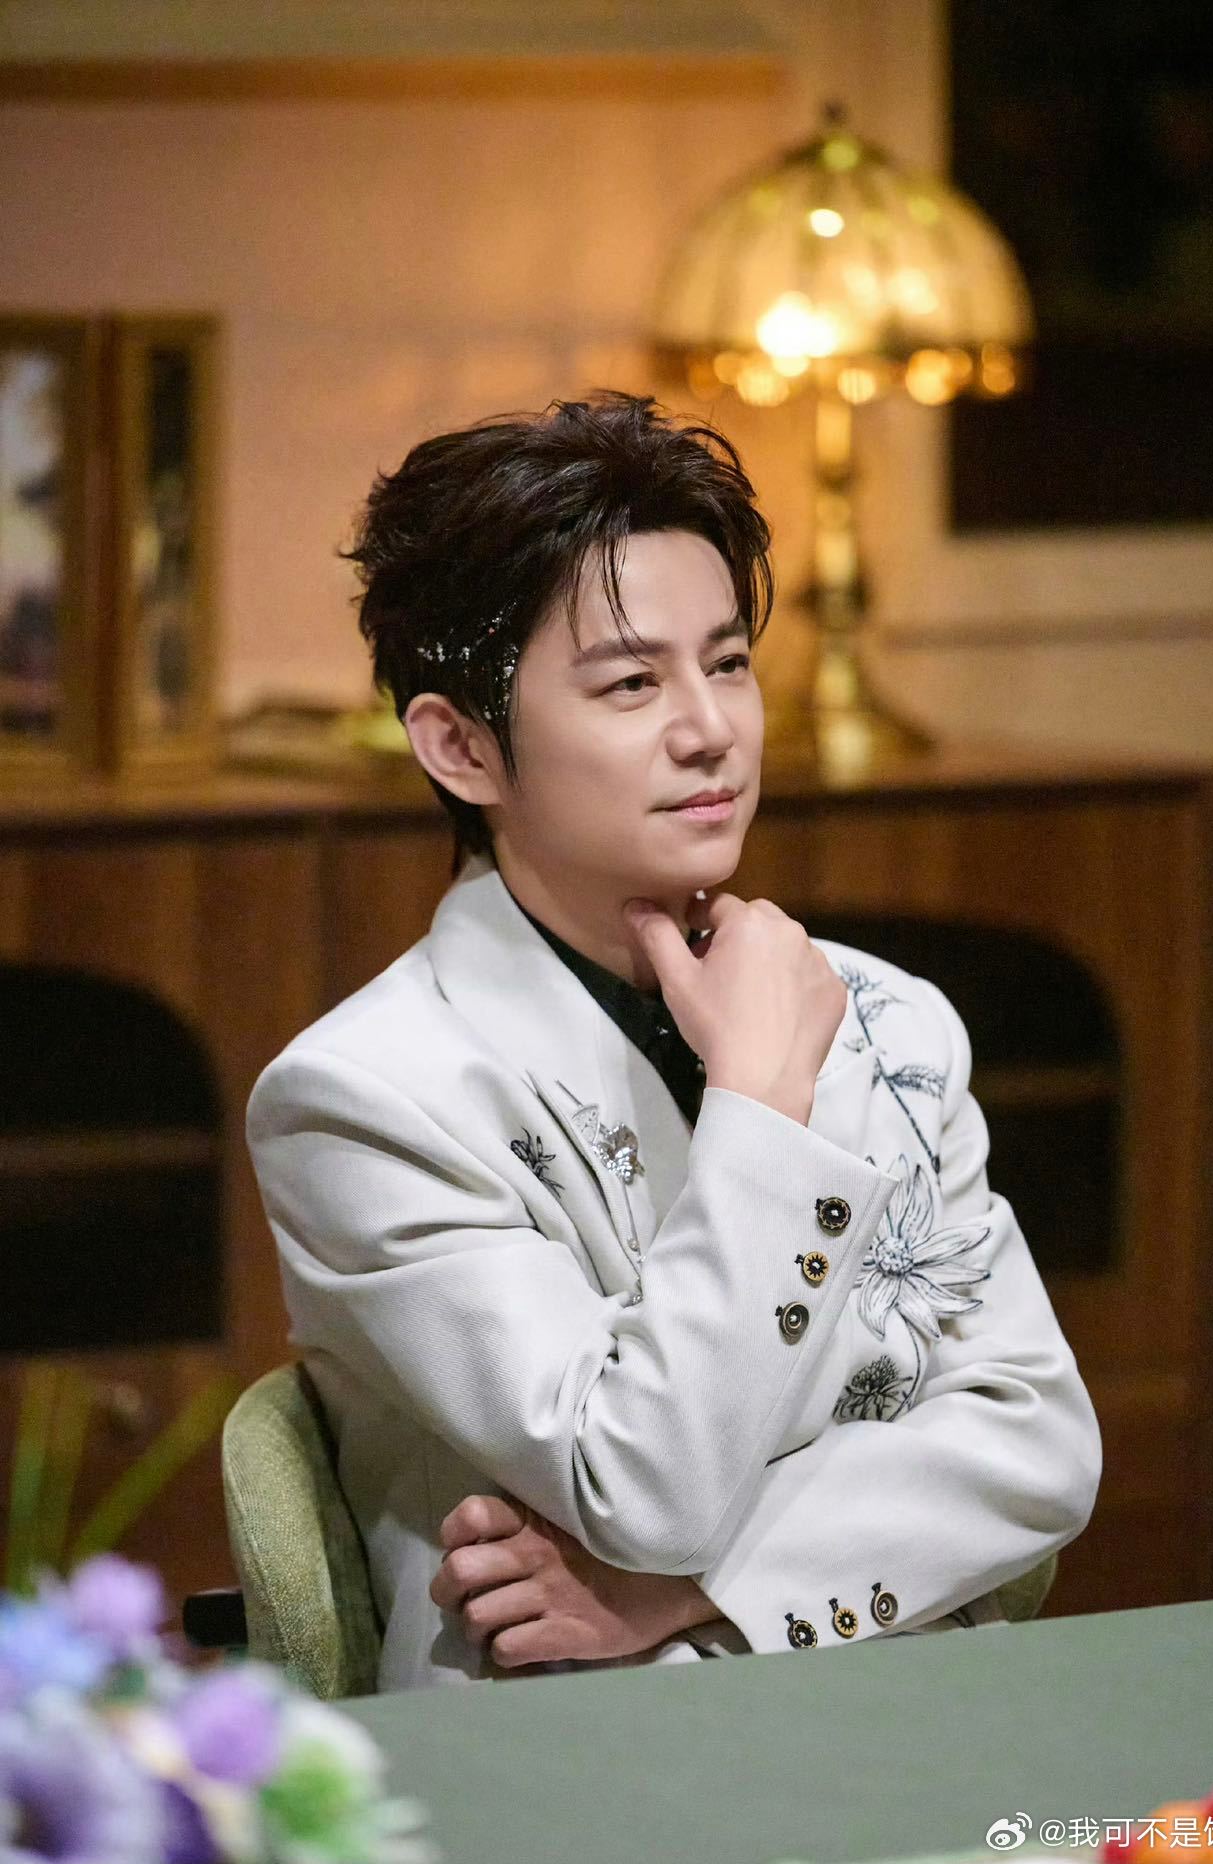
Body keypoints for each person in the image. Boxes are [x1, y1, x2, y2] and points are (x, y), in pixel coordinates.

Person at [246, 390, 1101, 1689]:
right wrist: (761, 1103)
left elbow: (1037, 1443)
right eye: (632, 682)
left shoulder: (885, 1019)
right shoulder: (363, 1099)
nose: (710, 730)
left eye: (729, 663)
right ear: (460, 747)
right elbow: (639, 1482)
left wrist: (692, 1589)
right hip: (570, 1740)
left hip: (905, 1703)